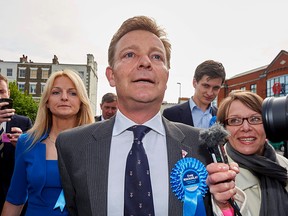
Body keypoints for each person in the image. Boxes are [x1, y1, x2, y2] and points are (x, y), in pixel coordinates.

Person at [56, 16, 215, 215]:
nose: (145, 62)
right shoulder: (72, 146)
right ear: (111, 75)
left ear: (166, 76)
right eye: (130, 54)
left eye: (157, 57)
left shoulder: (201, 145)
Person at [1, 69, 95, 215]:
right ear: (47, 101)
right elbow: (15, 199)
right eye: (56, 92)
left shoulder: (97, 145)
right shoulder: (27, 142)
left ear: (81, 101)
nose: (64, 97)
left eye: (72, 93)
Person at [206, 90, 288, 216]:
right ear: (223, 129)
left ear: (268, 123)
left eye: (255, 119)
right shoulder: (216, 178)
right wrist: (223, 207)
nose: (246, 128)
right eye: (234, 121)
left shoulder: (285, 165)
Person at [0, 75, 32, 215]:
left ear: (8, 94)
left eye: (2, 92)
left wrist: (23, 145)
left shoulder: (24, 123)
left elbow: (33, 161)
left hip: (14, 196)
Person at [163, 60, 226, 128]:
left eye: (216, 88)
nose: (210, 93)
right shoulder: (171, 115)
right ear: (194, 82)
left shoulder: (222, 117)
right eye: (206, 86)